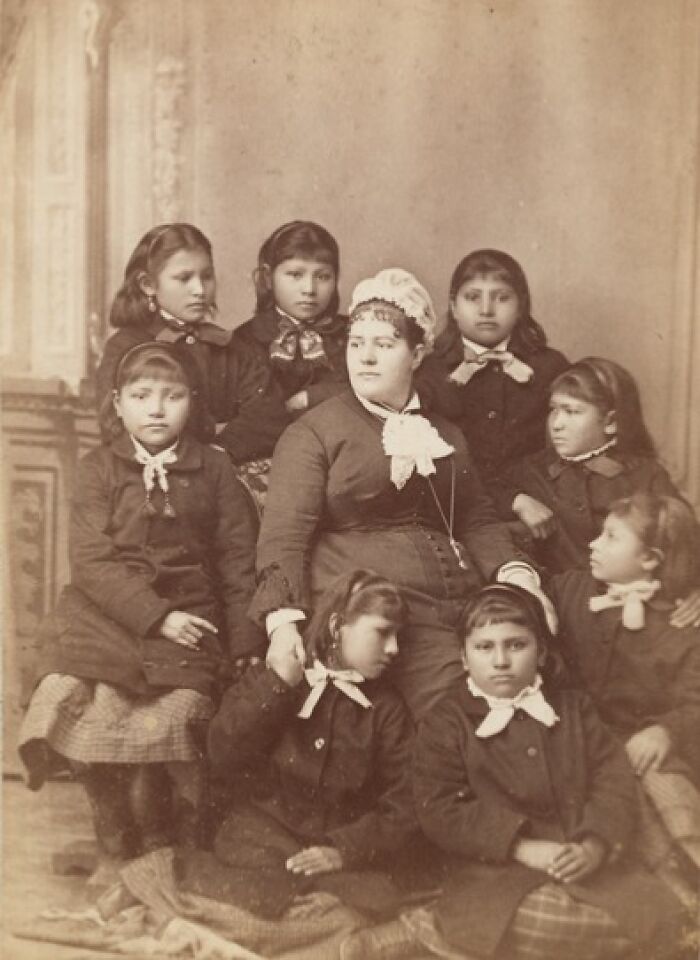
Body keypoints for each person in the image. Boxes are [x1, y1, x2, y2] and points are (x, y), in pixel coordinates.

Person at [250, 267, 552, 721]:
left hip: (460, 603)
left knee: (541, 679)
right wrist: (282, 624)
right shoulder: (314, 432)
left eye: (384, 344)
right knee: (465, 706)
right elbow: (284, 538)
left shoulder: (444, 431)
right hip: (379, 616)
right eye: (357, 343)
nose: (365, 358)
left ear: (417, 353)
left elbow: (476, 518)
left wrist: (517, 577)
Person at [18, 343, 264, 889]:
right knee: (71, 695)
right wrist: (154, 617)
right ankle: (113, 837)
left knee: (173, 715)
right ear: (118, 403)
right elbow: (91, 560)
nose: (156, 409)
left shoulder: (214, 468)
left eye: (172, 396)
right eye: (141, 396)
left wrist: (245, 641)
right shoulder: (99, 468)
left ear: (192, 402)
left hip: (190, 617)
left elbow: (236, 560)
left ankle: (155, 841)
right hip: (104, 619)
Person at [343, 584, 683, 960]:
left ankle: (444, 942)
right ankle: (422, 931)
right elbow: (440, 807)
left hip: (581, 861)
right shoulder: (446, 721)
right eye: (484, 647)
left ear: (540, 653)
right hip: (495, 874)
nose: (501, 661)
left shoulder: (573, 709)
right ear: (464, 657)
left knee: (660, 915)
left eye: (516, 645)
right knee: (536, 922)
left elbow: (612, 780)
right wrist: (520, 846)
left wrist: (595, 843)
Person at [202, 570, 417, 920]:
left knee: (376, 897)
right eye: (382, 633)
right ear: (336, 627)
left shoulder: (386, 709)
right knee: (253, 883)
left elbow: (406, 799)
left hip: (332, 844)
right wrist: (277, 686)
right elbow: (222, 752)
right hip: (262, 835)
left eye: (399, 636)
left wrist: (344, 850)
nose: (394, 649)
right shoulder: (279, 677)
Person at [547, 493, 700, 892]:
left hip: (645, 745)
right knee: (625, 782)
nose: (594, 544)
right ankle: (679, 884)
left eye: (612, 537)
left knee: (659, 775)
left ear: (650, 559)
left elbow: (695, 699)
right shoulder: (574, 591)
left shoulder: (684, 622)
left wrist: (666, 730)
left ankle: (690, 860)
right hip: (582, 743)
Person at [499, 356, 700, 626]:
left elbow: (686, 540)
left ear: (610, 422)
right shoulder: (531, 470)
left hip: (633, 614)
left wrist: (695, 588)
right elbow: (480, 498)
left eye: (572, 412)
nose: (556, 423)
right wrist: (517, 500)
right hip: (560, 613)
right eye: (553, 410)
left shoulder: (645, 475)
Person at [95, 223, 287, 465]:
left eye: (206, 277)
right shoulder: (126, 347)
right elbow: (115, 427)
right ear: (148, 285)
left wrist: (218, 451)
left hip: (224, 471)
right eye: (184, 278)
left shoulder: (230, 345)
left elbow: (269, 417)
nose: (199, 290)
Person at [416, 249, 568, 493]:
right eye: (473, 297)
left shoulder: (550, 367)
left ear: (521, 306)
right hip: (457, 504)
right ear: (454, 307)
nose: (486, 310)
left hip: (539, 501)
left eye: (502, 298)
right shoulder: (429, 371)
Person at [232, 220, 349, 416]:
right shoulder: (246, 339)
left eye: (322, 277)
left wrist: (312, 397)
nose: (309, 290)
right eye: (295, 275)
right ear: (269, 278)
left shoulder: (353, 333)